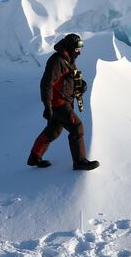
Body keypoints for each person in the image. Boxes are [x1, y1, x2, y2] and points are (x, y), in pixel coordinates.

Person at [27, 33, 100, 171]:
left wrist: (81, 85)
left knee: (53, 131)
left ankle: (34, 157)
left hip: (63, 101)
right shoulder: (57, 61)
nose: (80, 51)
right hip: (58, 104)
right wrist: (47, 105)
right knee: (77, 127)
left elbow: (68, 80)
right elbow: (46, 84)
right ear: (71, 47)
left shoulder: (68, 60)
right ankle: (79, 161)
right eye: (77, 48)